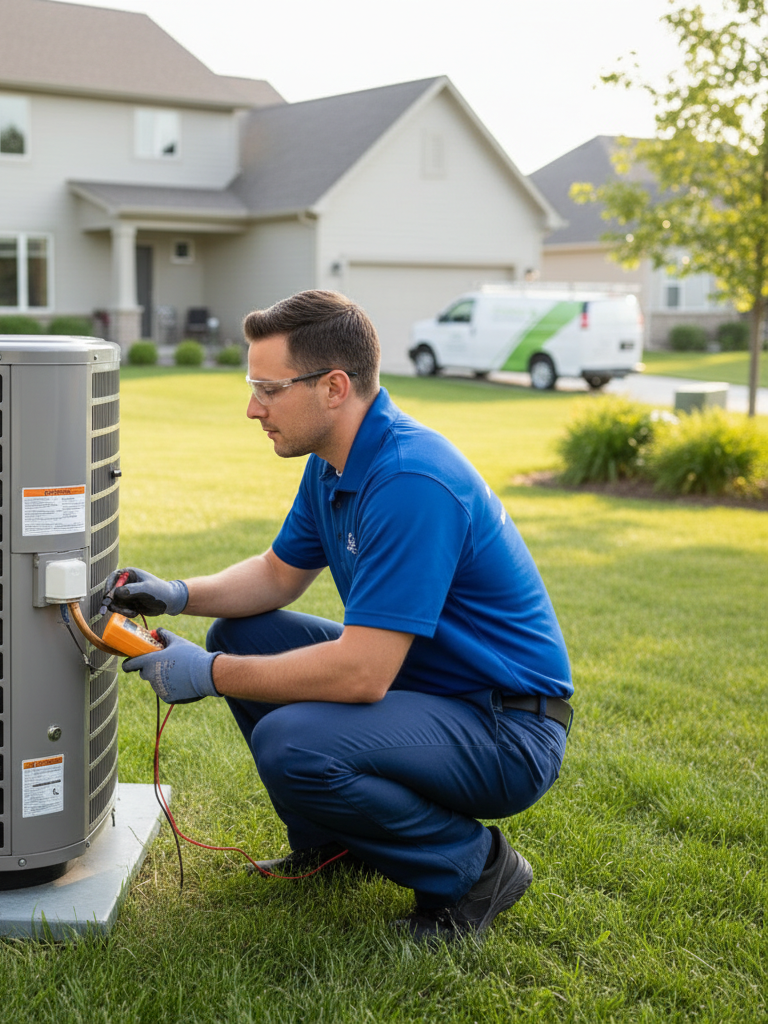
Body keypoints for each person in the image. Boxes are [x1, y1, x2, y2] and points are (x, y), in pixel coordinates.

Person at [113, 290, 573, 944]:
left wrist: (209, 673)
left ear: (334, 387)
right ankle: (335, 846)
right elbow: (277, 575)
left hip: (506, 726)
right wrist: (177, 593)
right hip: (434, 689)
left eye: (268, 388)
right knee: (247, 632)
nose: (252, 408)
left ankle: (474, 871)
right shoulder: (336, 464)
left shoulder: (411, 479)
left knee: (291, 742)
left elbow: (361, 675)